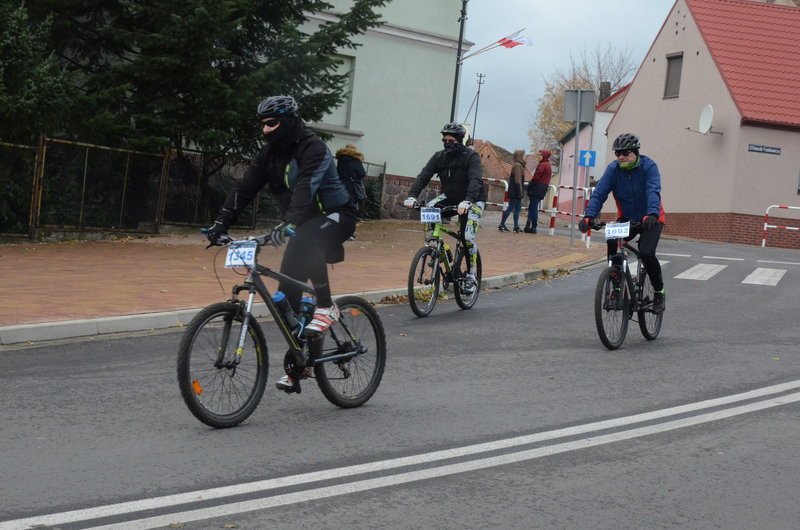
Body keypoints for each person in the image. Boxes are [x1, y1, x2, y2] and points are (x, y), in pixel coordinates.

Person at [205, 95, 359, 392]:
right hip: (299, 222)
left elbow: (306, 188)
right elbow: (245, 187)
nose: (265, 130)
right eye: (262, 125)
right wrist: (220, 222)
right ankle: (301, 361)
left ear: (287, 121)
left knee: (307, 235)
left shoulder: (312, 147)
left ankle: (327, 306)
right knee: (285, 298)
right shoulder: (268, 154)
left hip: (336, 215)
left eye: (271, 123)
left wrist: (288, 224)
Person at [578, 133, 666, 313]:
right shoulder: (613, 169)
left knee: (646, 253)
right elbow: (600, 193)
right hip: (627, 218)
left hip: (651, 218)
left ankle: (659, 292)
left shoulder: (649, 167)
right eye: (618, 154)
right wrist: (588, 216)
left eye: (625, 153)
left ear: (635, 152)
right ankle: (616, 287)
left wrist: (651, 214)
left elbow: (653, 191)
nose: (621, 157)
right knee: (612, 240)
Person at [403, 122, 486, 291]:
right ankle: (439, 249)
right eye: (445, 139)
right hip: (450, 196)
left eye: (451, 140)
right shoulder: (439, 157)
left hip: (473, 199)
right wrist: (412, 196)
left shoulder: (471, 157)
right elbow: (424, 176)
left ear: (459, 140)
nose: (447, 142)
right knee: (430, 210)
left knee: (467, 237)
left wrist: (468, 200)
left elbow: (475, 180)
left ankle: (471, 275)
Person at [525, 150, 552, 234]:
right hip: (542, 188)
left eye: (540, 155)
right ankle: (528, 225)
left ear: (544, 156)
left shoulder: (542, 165)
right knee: (532, 207)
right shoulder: (548, 165)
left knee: (533, 208)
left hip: (537, 187)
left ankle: (533, 227)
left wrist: (531, 183)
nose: (539, 156)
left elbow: (536, 176)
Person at [498, 150, 525, 233]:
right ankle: (502, 224)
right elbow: (517, 180)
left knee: (517, 209)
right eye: (522, 155)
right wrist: (520, 192)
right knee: (510, 208)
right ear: (519, 156)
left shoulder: (519, 165)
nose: (523, 156)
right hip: (516, 191)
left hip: (517, 191)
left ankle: (516, 226)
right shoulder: (517, 165)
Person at [335, 143, 367, 208]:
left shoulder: (340, 159)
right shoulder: (355, 160)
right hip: (352, 188)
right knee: (353, 207)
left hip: (341, 186)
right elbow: (362, 174)